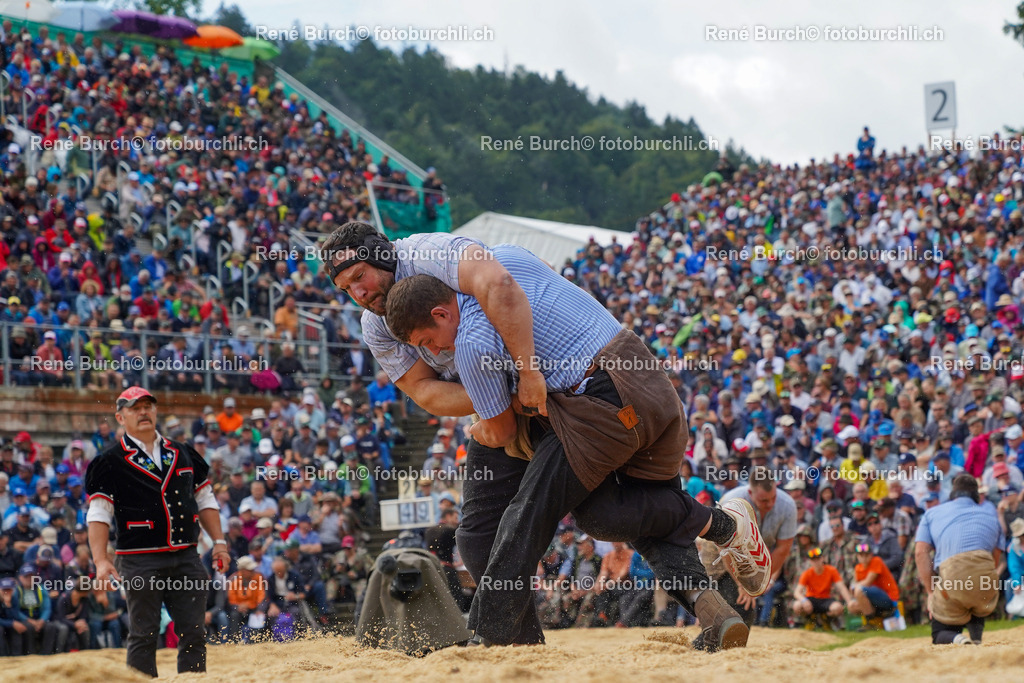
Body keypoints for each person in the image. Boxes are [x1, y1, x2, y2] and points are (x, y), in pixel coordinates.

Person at [385, 267, 771, 651]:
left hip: (599, 397)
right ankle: (716, 605)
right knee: (611, 515)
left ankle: (490, 635)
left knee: (530, 514)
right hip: (618, 390)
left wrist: (484, 424)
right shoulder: (478, 276)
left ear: (440, 313)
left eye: (428, 341)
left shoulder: (472, 327)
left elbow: (499, 429)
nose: (434, 352)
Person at [85, 387, 231, 676]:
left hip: (186, 555)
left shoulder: (184, 452)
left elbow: (205, 499)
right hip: (139, 559)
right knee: (144, 633)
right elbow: (99, 513)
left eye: (148, 406)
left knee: (194, 631)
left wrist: (219, 542)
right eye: (135, 408)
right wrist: (101, 561)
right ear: (120, 417)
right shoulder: (109, 461)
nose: (143, 412)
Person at [915, 473, 1004, 644]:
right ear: (977, 496)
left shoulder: (931, 513)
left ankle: (958, 639)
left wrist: (931, 592)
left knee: (940, 633)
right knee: (977, 586)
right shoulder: (992, 517)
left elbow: (920, 553)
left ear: (952, 494)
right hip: (985, 583)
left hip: (952, 578)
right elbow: (993, 559)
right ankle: (976, 638)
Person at [791, 547, 853, 627]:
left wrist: (849, 601)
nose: (816, 562)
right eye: (813, 560)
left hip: (825, 599)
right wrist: (804, 600)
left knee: (837, 608)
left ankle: (826, 620)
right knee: (797, 605)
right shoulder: (807, 573)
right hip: (811, 599)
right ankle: (810, 620)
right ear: (810, 561)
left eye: (818, 559)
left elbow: (841, 587)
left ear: (822, 559)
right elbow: (797, 592)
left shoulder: (831, 570)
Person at [848, 543, 900, 622]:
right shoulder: (858, 568)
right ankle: (880, 614)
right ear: (857, 556)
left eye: (866, 555)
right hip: (872, 598)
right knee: (851, 606)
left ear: (871, 555)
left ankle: (870, 622)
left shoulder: (876, 561)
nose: (864, 558)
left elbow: (868, 582)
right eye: (861, 555)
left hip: (888, 597)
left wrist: (853, 587)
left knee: (859, 590)